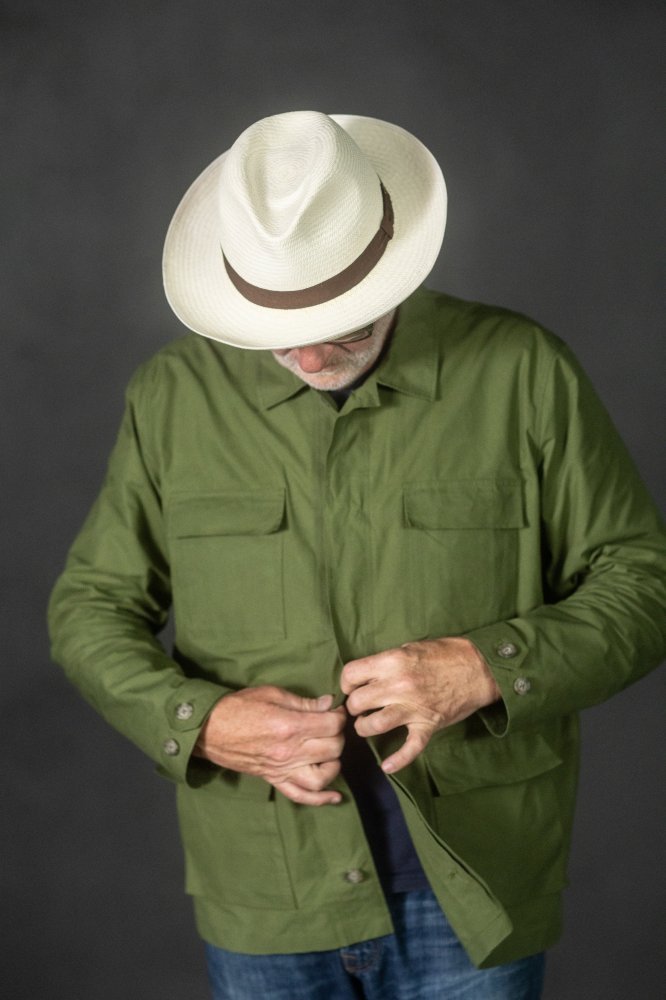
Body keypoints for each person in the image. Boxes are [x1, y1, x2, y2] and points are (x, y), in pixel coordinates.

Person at [48, 111, 666, 1000]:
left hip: (479, 882)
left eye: (340, 322)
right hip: (265, 886)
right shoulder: (171, 396)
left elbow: (643, 581)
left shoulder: (524, 370)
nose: (306, 352)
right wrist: (200, 721)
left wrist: (486, 668)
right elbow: (90, 607)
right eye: (276, 326)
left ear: (391, 265)